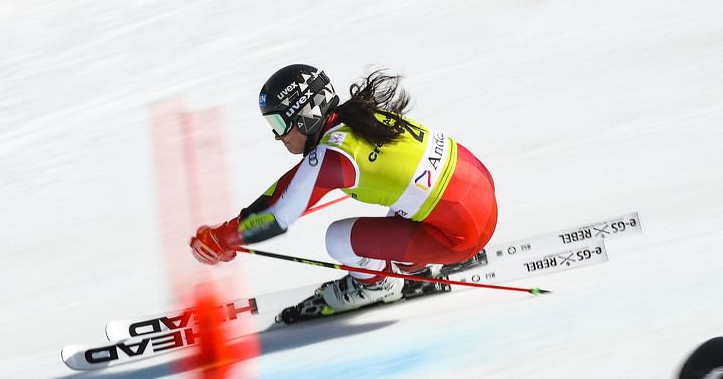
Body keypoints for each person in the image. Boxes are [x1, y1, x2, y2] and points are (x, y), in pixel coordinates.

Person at [189, 64, 499, 317]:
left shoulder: (334, 156)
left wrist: (225, 239)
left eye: (279, 124)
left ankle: (377, 286)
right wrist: (230, 230)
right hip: (480, 192)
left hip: (462, 235)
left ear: (305, 116)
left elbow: (278, 215)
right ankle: (410, 264)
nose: (277, 136)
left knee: (338, 238)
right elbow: (289, 187)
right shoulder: (357, 116)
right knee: (409, 196)